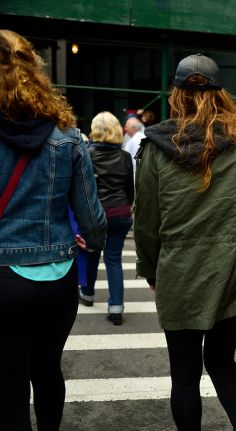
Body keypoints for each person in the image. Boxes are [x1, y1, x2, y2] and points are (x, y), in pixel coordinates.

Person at [134, 53, 236, 430]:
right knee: (222, 361)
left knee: (184, 376)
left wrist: (151, 269)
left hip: (178, 278)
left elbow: (146, 221)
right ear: (222, 94)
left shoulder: (154, 147)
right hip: (232, 279)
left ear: (176, 93)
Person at [0, 29, 106, 430]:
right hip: (57, 279)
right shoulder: (68, 136)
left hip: (3, 279)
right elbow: (93, 221)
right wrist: (88, 242)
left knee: (8, 380)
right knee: (47, 370)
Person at [79, 111, 134, 325]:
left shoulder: (88, 153)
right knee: (113, 259)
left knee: (91, 253)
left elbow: (83, 189)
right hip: (120, 212)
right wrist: (128, 207)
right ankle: (116, 306)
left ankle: (88, 293)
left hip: (96, 213)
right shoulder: (125, 156)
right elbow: (130, 189)